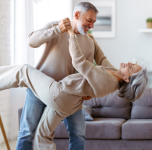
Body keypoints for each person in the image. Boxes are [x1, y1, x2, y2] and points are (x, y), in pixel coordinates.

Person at [0, 28, 148, 150]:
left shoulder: (107, 79)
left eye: (131, 68)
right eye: (132, 63)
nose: (128, 63)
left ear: (127, 78)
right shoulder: (113, 73)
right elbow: (101, 57)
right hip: (69, 102)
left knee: (24, 70)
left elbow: (80, 62)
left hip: (59, 93)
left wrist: (71, 35)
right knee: (43, 136)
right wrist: (91, 38)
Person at [20, 2, 117, 150]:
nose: (92, 26)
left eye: (94, 22)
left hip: (68, 93)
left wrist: (87, 91)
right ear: (77, 15)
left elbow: (88, 71)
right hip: (39, 89)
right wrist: (57, 29)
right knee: (27, 132)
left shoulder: (89, 42)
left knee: (78, 133)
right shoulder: (55, 26)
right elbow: (31, 41)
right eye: (89, 21)